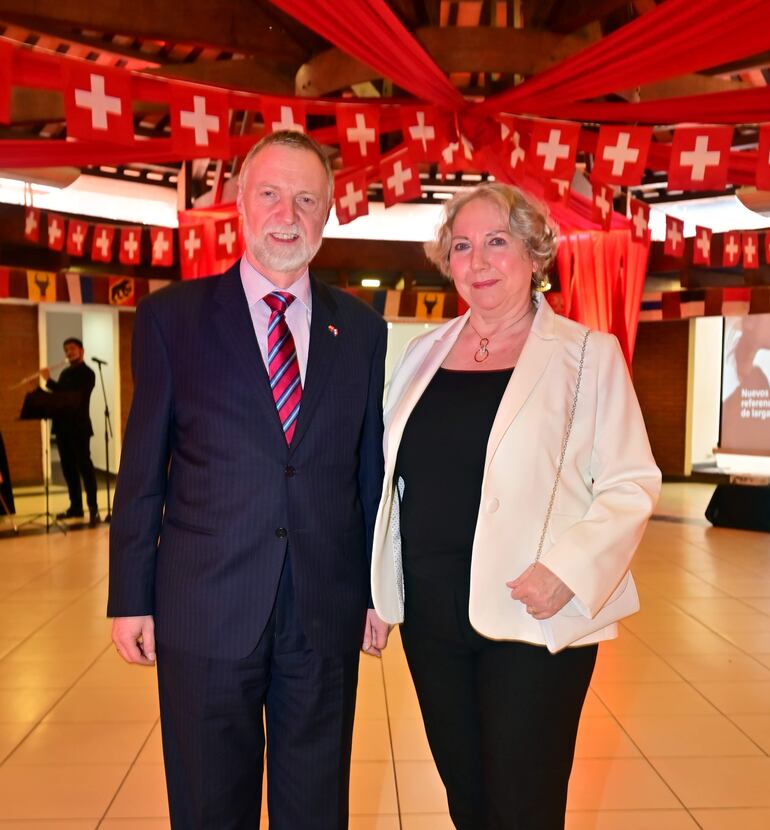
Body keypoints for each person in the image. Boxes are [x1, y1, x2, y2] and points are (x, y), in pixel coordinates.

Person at [108, 130, 390, 829]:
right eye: (270, 195)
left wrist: (382, 588)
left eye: (306, 199)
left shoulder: (360, 329)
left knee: (316, 807)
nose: (286, 215)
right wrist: (129, 597)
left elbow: (368, 468)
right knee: (209, 806)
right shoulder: (172, 319)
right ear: (240, 203)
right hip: (205, 608)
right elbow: (142, 471)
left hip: (325, 609)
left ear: (327, 215)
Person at [371, 183, 661, 829]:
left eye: (497, 242)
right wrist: (378, 591)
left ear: (534, 253)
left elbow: (631, 482)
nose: (478, 261)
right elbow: (393, 482)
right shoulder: (422, 353)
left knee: (522, 807)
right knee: (467, 801)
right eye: (462, 246)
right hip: (431, 616)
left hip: (534, 613)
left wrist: (568, 571)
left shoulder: (589, 355)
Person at [41, 337, 99, 524]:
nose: (68, 352)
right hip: (63, 428)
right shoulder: (65, 373)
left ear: (81, 351)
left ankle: (93, 508)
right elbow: (59, 397)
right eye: (66, 349)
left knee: (85, 468)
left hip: (79, 427)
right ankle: (76, 507)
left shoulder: (88, 373)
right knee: (68, 470)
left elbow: (71, 396)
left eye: (72, 348)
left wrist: (49, 381)